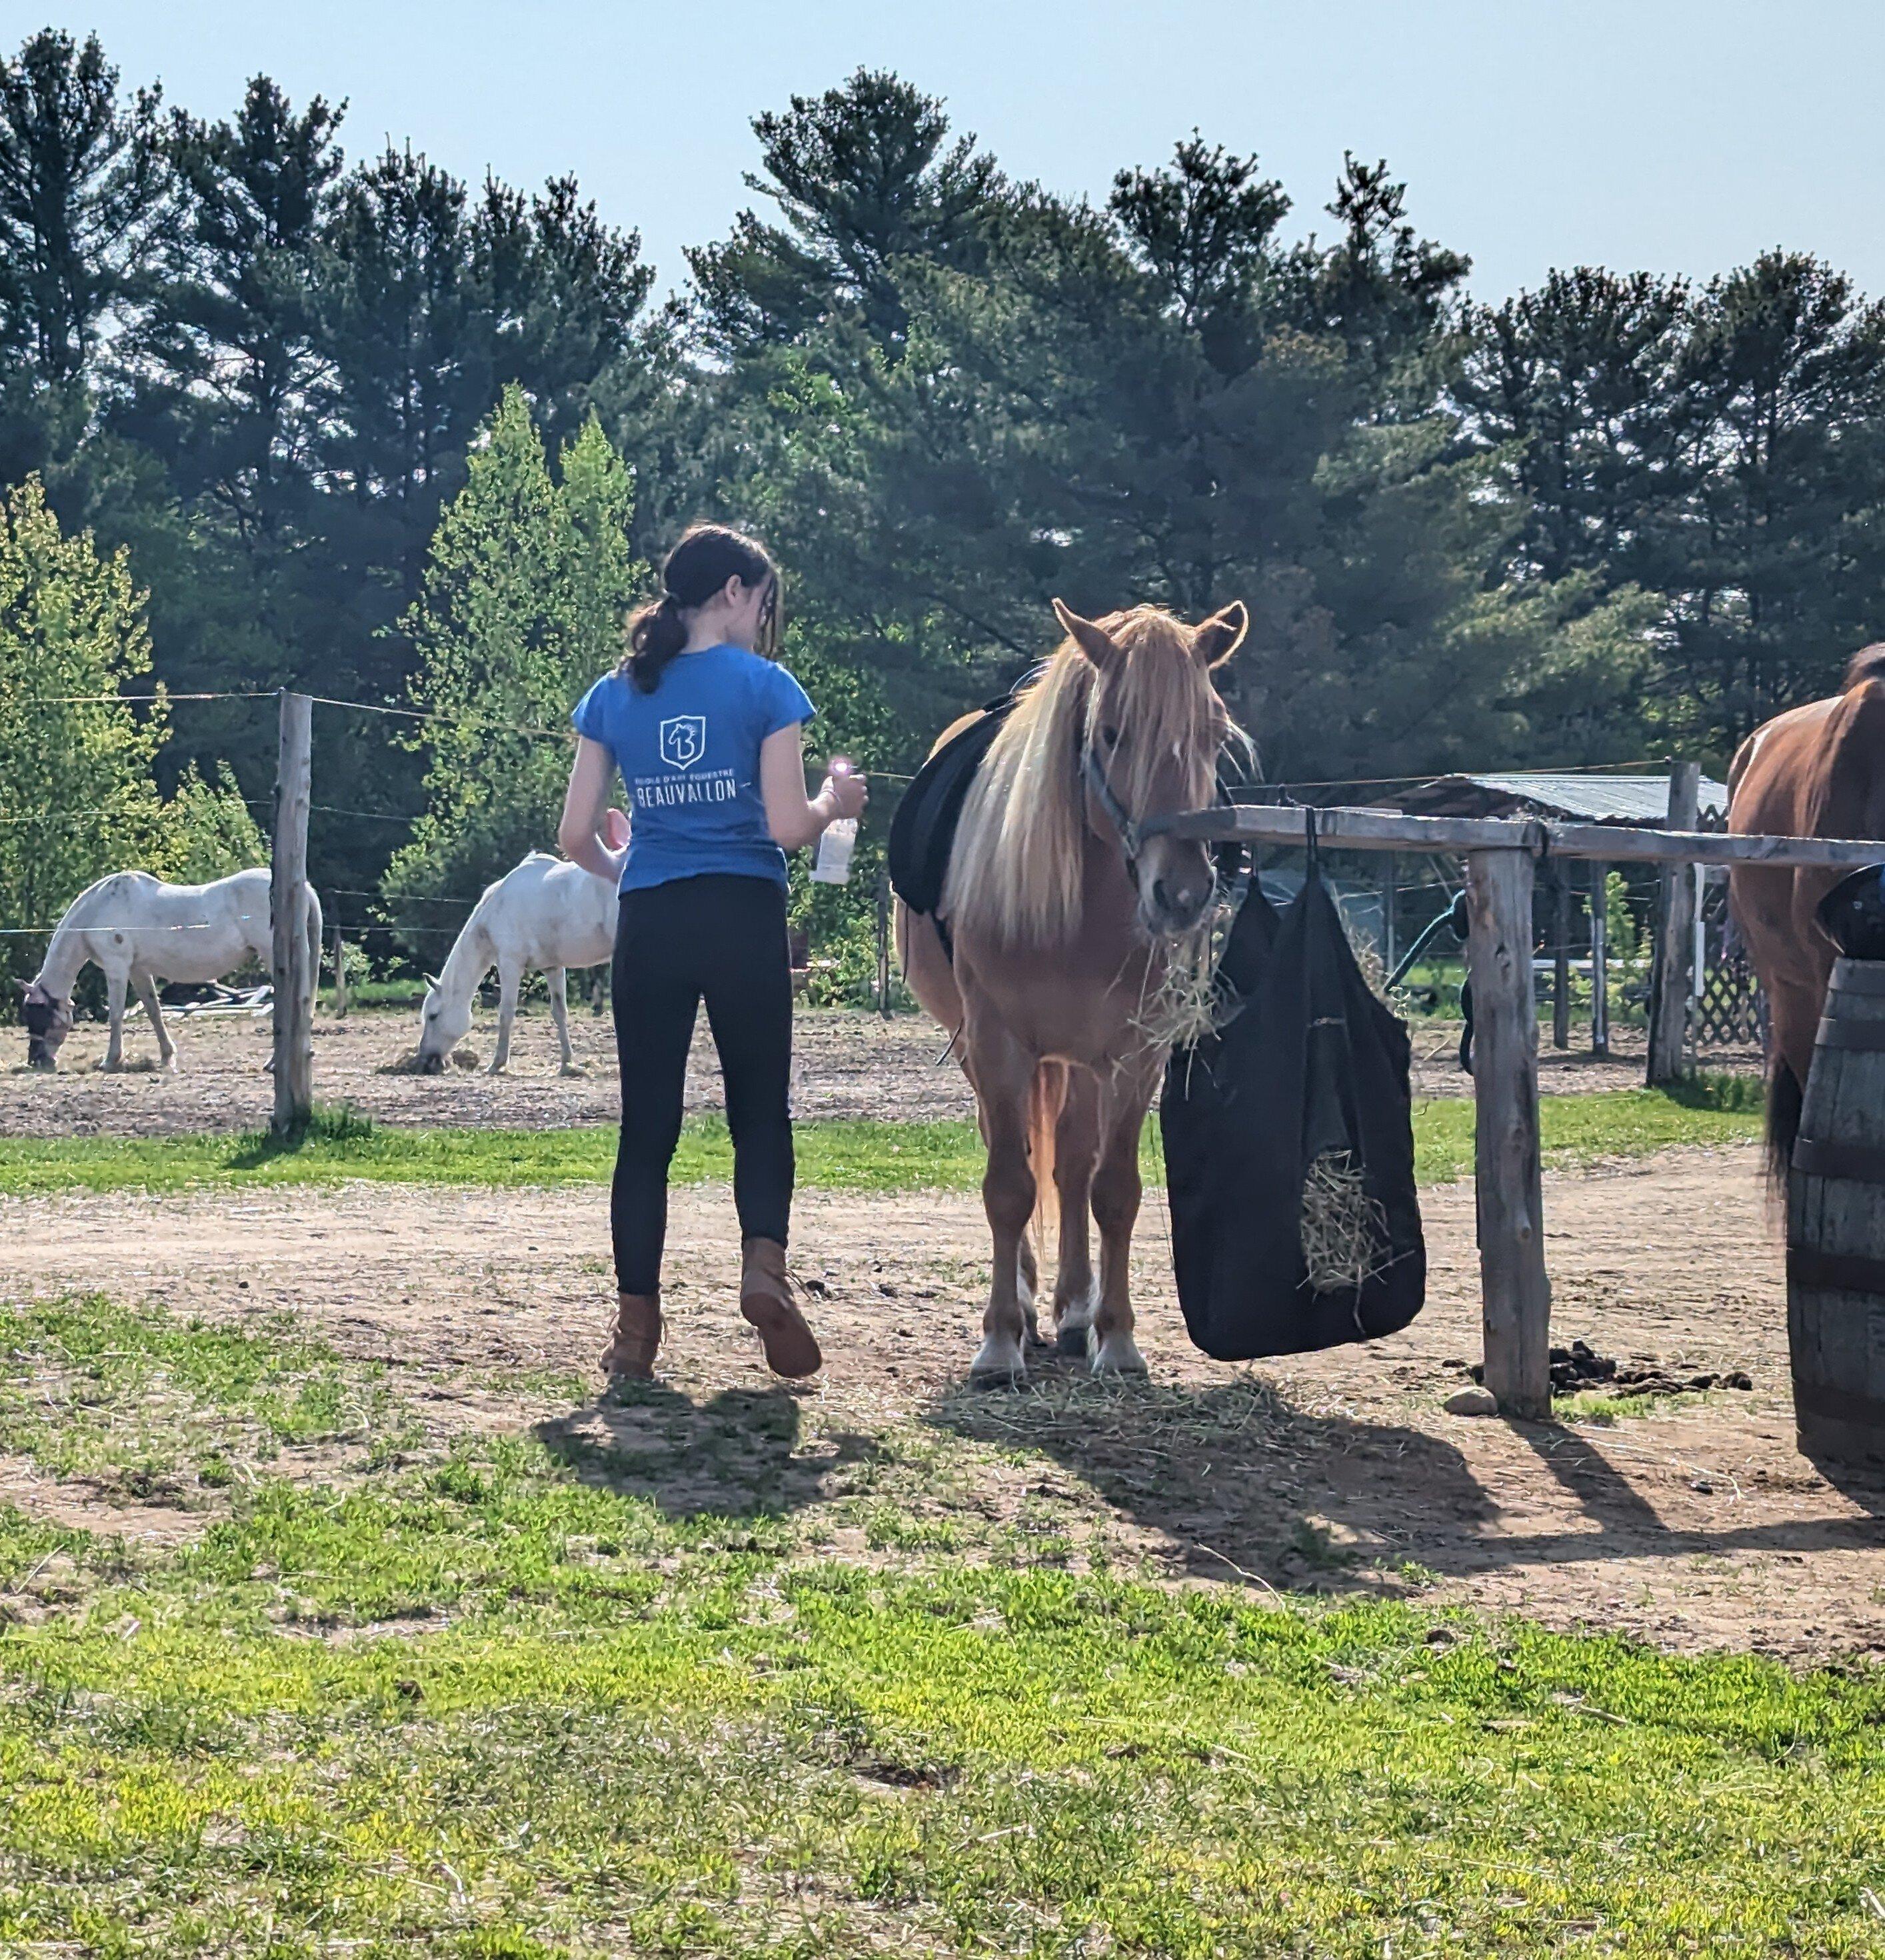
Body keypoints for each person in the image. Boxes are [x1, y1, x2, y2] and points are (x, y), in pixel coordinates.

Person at [559, 523, 867, 1381]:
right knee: (759, 1112)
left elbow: (574, 833)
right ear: (735, 591)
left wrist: (626, 865)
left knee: (646, 1131)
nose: (766, 619)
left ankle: (635, 1333)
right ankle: (762, 1272)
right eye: (764, 601)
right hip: (741, 913)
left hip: (653, 918)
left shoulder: (614, 694)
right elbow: (783, 825)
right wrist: (833, 802)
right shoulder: (766, 687)